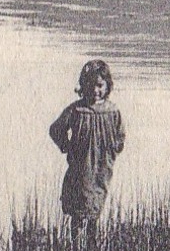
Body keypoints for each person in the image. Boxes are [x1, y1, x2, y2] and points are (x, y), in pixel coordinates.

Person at [49, 60, 126, 226]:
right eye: (90, 85)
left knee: (96, 204)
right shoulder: (76, 110)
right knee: (78, 207)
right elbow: (56, 129)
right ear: (83, 85)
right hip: (80, 166)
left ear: (107, 86)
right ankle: (76, 245)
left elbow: (120, 136)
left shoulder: (112, 112)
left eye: (99, 85)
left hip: (102, 168)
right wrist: (67, 146)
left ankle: (92, 245)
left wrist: (111, 151)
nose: (95, 90)